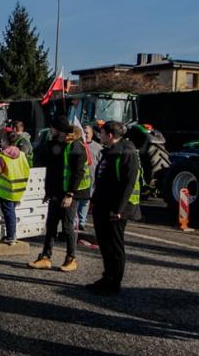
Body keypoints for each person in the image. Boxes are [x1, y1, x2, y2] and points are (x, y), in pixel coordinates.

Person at [28, 116, 91, 272]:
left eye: (53, 128)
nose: (51, 130)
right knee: (50, 226)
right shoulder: (55, 145)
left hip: (69, 194)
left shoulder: (75, 146)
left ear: (58, 129)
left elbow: (77, 173)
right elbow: (52, 170)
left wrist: (70, 194)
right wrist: (48, 192)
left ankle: (71, 259)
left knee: (68, 227)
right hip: (56, 192)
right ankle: (46, 257)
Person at [87, 120, 141, 296]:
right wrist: (94, 200)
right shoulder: (110, 152)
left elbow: (128, 183)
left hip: (116, 209)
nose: (99, 136)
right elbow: (102, 180)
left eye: (101, 133)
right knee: (104, 244)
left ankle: (114, 283)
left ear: (110, 135)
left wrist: (118, 209)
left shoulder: (126, 152)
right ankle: (107, 277)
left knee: (114, 246)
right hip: (103, 205)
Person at [0, 129, 30, 246]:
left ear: (5, 142)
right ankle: (12, 234)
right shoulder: (22, 155)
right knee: (11, 212)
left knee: (9, 214)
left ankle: (11, 236)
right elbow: (26, 169)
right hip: (19, 189)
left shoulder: (2, 156)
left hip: (6, 191)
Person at [76, 125, 103, 231]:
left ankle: (82, 222)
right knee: (76, 202)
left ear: (92, 134)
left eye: (87, 132)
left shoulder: (98, 148)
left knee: (85, 202)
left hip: (91, 180)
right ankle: (75, 222)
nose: (85, 134)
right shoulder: (77, 145)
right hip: (78, 180)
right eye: (84, 132)